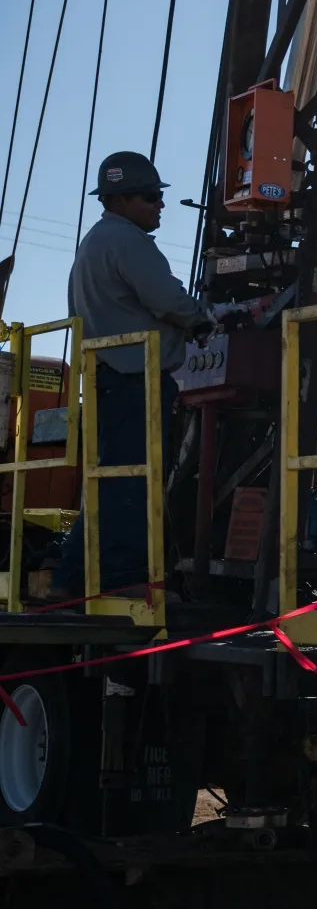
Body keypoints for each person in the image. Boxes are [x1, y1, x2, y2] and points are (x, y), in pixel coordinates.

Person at [53, 152, 214, 600]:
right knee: (131, 482)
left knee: (109, 480)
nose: (159, 206)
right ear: (120, 200)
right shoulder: (129, 242)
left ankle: (71, 580)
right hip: (134, 377)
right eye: (150, 197)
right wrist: (200, 320)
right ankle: (122, 582)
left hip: (107, 376)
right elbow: (165, 296)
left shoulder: (93, 243)